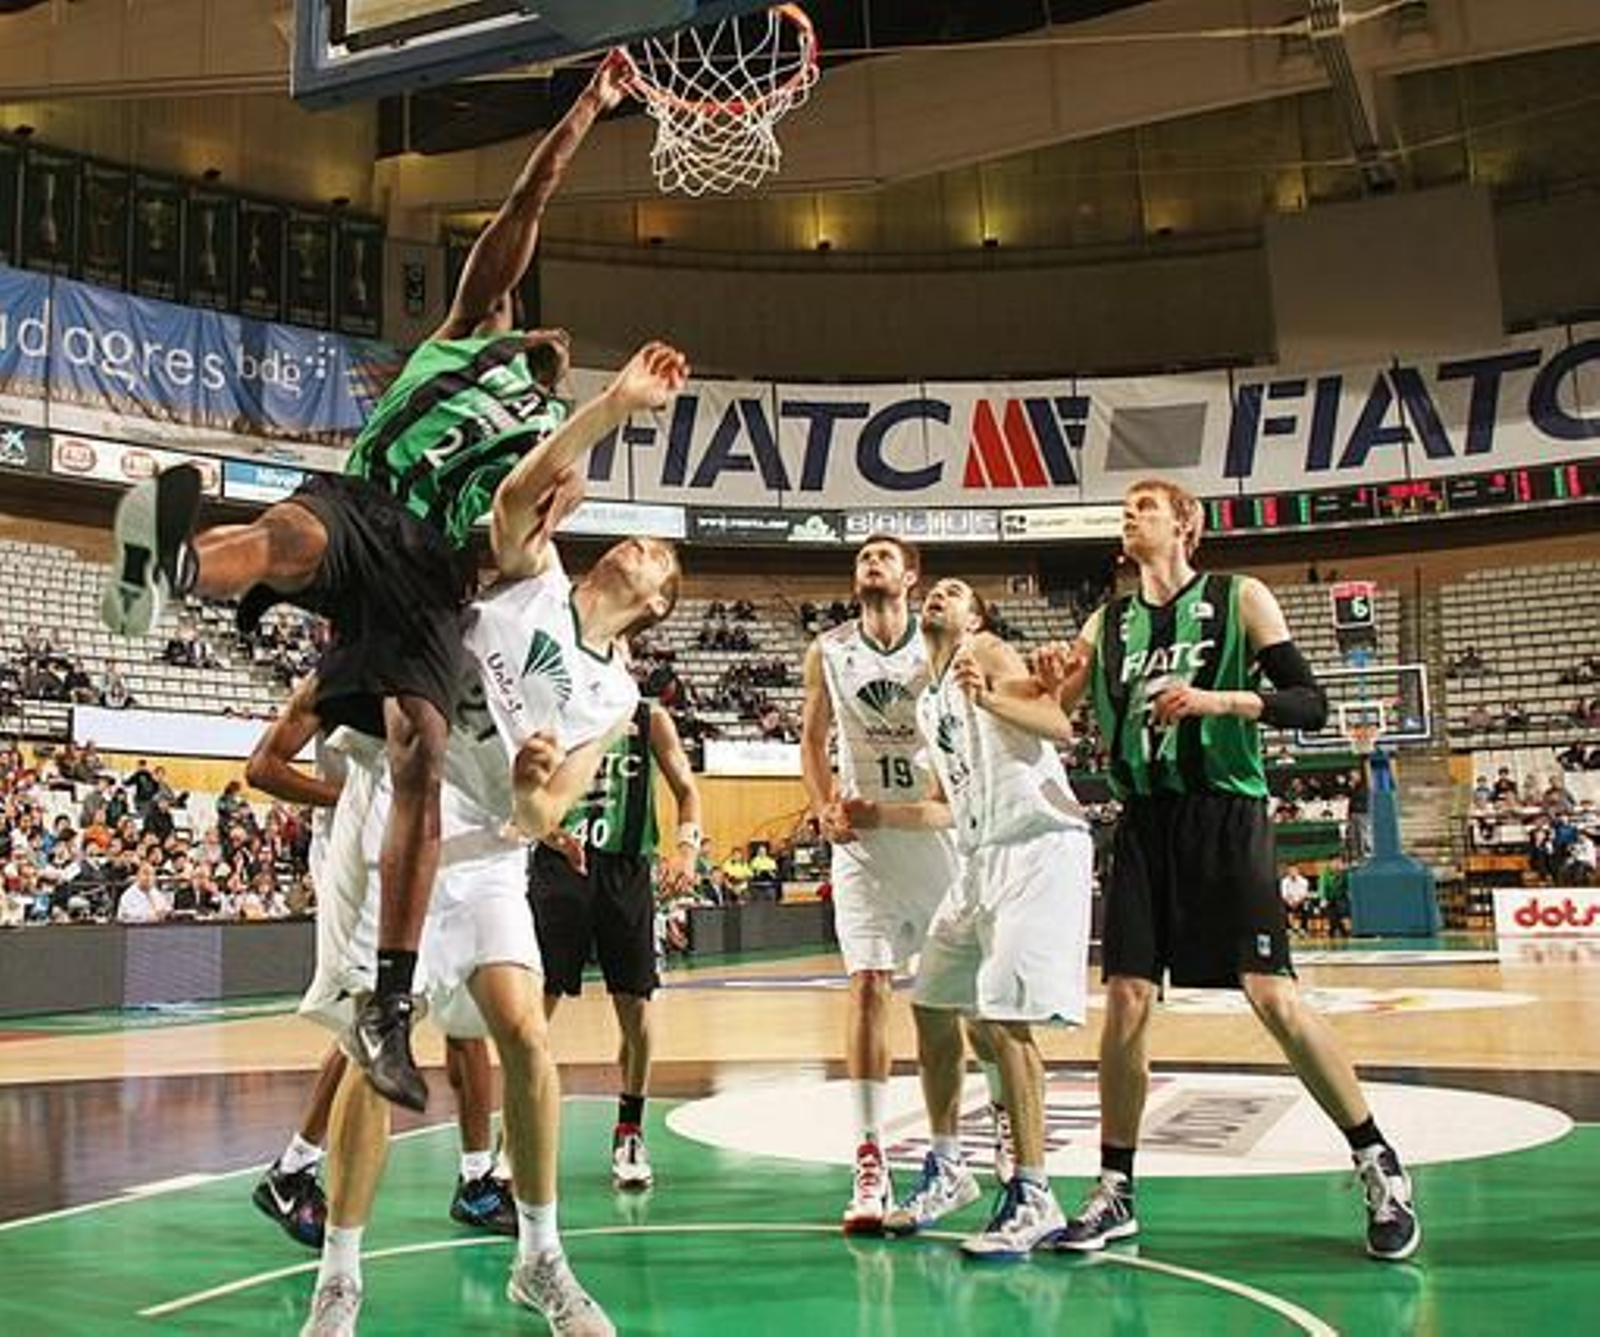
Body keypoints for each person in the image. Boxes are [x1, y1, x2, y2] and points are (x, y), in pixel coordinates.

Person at [100, 53, 635, 1116]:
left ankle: (389, 1001)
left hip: (434, 573)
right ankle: (169, 568)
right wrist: (587, 107)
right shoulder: (459, 337)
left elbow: (512, 545)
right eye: (535, 330)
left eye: (555, 357)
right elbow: (523, 205)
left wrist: (559, 481)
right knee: (286, 533)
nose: (545, 344)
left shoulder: (545, 451)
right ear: (510, 317)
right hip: (364, 499)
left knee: (420, 752)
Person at [300, 347, 687, 1337]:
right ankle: (338, 1278)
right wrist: (613, 405)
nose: (636, 545)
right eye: (633, 536)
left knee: (526, 1032)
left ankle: (542, 1257)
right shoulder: (537, 572)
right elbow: (518, 490)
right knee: (371, 1049)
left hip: (489, 858)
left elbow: (549, 815)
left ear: (658, 601)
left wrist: (524, 791)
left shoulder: (617, 697)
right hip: (404, 825)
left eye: (656, 554)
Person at [1035, 477, 1420, 1262]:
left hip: (1226, 813)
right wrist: (1023, 680)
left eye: (1145, 505)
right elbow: (1051, 710)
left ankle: (1377, 1158)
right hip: (1143, 822)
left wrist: (1221, 703)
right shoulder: (1105, 621)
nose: (1129, 515)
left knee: (1272, 994)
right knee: (1128, 1000)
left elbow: (1309, 703)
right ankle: (1116, 1188)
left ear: (1187, 525)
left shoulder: (1239, 597)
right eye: (1125, 509)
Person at [845, 577, 1092, 1258]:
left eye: (954, 591)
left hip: (1037, 846)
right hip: (978, 855)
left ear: (975, 614)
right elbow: (942, 804)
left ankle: (1035, 1194)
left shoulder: (986, 652)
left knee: (1006, 1019)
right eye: (936, 589)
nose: (938, 596)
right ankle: (949, 1166)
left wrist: (993, 695)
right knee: (932, 1004)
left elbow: (1059, 723)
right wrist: (875, 816)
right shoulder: (927, 700)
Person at [242, 676, 514, 1249]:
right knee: (375, 1020)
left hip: (430, 841)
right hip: (359, 852)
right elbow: (262, 769)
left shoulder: (441, 659)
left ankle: (475, 1180)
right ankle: (295, 1168)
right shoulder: (342, 672)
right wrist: (345, 797)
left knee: (462, 1013)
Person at [799, 535, 961, 1233]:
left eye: (886, 555)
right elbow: (811, 737)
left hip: (933, 838)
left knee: (949, 1000)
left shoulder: (940, 647)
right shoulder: (828, 648)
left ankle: (952, 1155)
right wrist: (822, 800)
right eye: (864, 555)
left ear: (911, 575)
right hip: (861, 844)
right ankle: (870, 1156)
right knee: (867, 985)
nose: (872, 562)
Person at [531, 699, 702, 1191]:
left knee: (637, 1007)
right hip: (560, 860)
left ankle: (630, 1128)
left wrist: (687, 849)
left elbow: (687, 789)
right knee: (535, 1010)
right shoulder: (555, 707)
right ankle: (516, 1136)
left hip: (626, 868)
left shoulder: (649, 718)